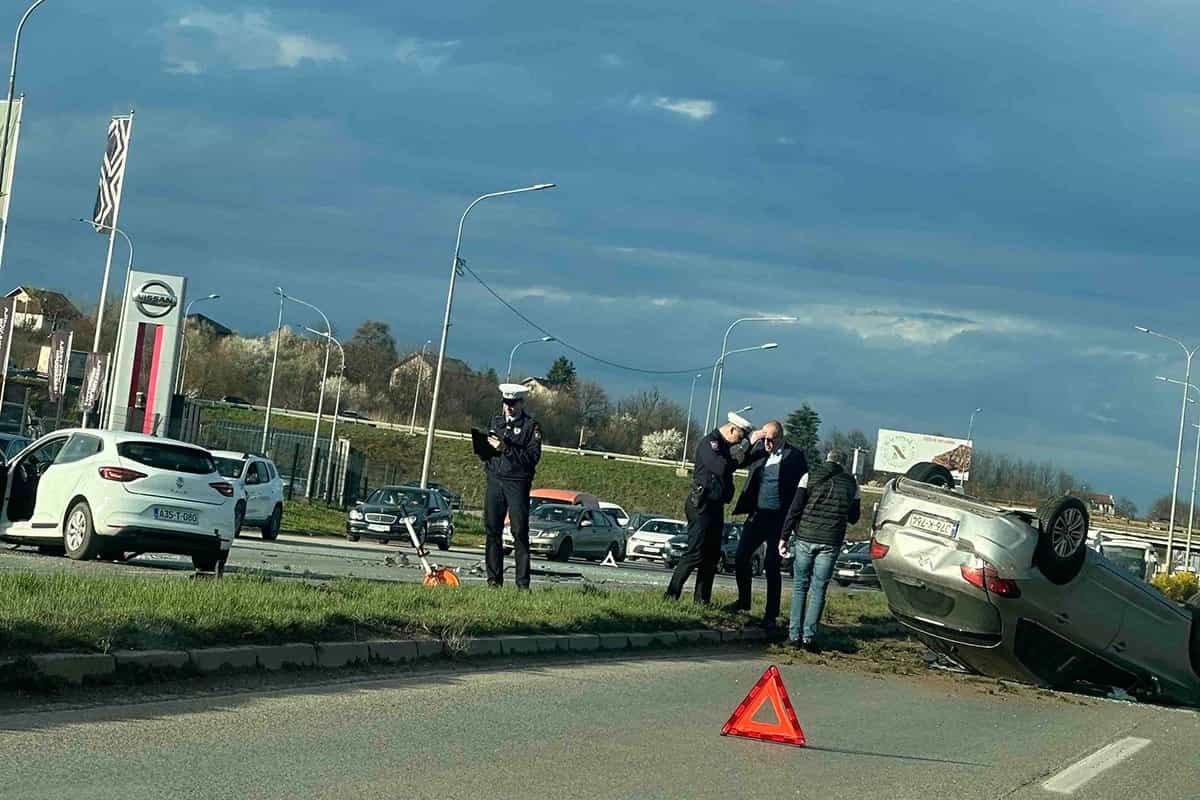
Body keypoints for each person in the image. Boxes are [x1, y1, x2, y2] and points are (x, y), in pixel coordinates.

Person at [666, 411, 761, 604]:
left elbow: (739, 462)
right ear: (732, 429)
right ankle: (671, 595)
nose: (738, 442)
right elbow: (723, 467)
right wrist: (746, 445)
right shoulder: (710, 444)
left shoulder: (725, 447)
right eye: (739, 437)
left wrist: (756, 446)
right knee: (695, 552)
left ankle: (702, 600)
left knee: (711, 556)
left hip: (715, 505)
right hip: (701, 504)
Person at [727, 420, 807, 631]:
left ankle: (771, 614)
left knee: (772, 564)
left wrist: (794, 521)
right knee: (742, 556)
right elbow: (737, 462)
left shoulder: (795, 457)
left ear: (781, 438)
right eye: (765, 439)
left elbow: (803, 488)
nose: (768, 444)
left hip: (779, 516)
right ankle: (743, 600)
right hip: (758, 513)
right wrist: (750, 442)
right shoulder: (759, 449)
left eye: (771, 440)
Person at [778, 448, 861, 652]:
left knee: (799, 586)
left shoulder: (809, 477)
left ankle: (793, 635)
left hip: (805, 537)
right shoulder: (852, 484)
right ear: (844, 463)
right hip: (831, 541)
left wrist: (784, 536)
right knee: (818, 589)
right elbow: (853, 517)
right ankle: (809, 638)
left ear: (827, 459)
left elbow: (795, 508)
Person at [480, 383, 543, 589]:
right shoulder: (496, 421)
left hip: (517, 482)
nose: (508, 408)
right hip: (495, 479)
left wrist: (505, 447)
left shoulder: (530, 426)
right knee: (492, 529)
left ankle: (522, 584)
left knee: (519, 532)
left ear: (520, 403)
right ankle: (493, 580)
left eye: (512, 404)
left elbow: (531, 458)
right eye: (505, 403)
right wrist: (484, 451)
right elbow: (489, 450)